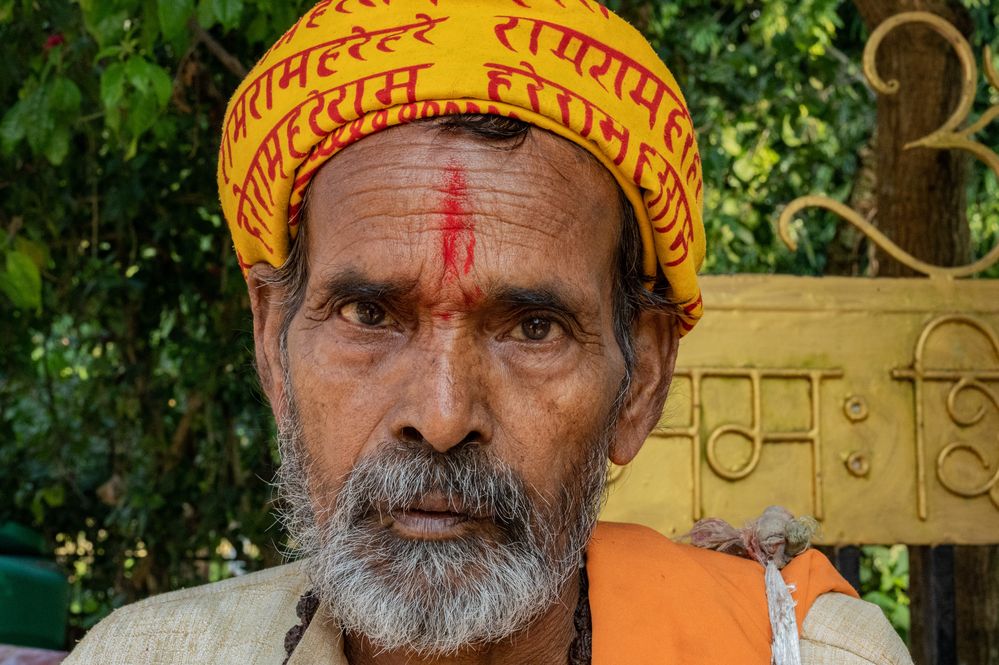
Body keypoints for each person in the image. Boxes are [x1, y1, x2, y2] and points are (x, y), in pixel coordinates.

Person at [64, 1, 912, 663]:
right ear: (271, 343)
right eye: (367, 314)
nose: (439, 417)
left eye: (532, 327)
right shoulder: (140, 654)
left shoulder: (803, 654)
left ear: (641, 377)